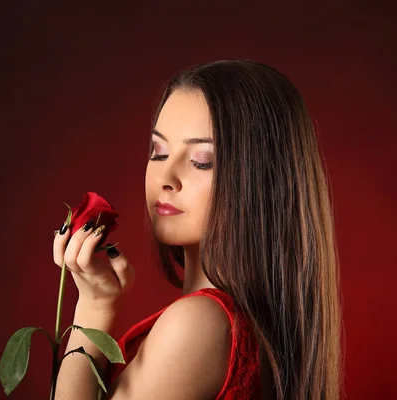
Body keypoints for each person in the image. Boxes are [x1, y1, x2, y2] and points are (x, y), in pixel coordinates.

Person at [52, 59, 344, 399]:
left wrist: (93, 308)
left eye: (201, 161)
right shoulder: (249, 325)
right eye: (158, 152)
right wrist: (98, 298)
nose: (166, 178)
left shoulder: (197, 325)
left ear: (261, 182)